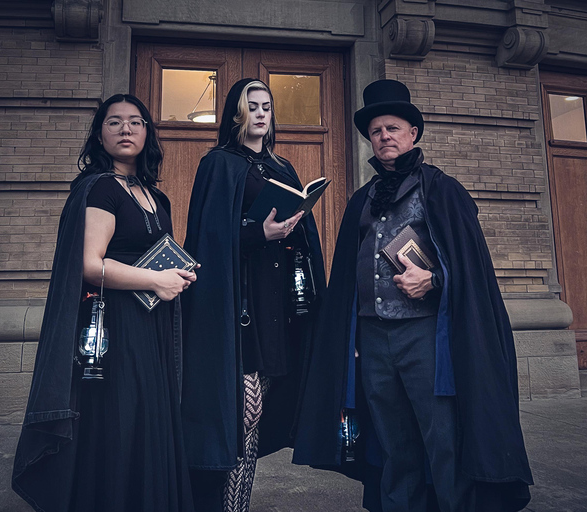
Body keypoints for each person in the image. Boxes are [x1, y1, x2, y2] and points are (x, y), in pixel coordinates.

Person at [292, 79, 534, 512]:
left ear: (413, 134)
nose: (385, 136)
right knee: (391, 441)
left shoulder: (442, 189)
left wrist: (434, 280)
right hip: (372, 338)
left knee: (441, 438)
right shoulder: (361, 199)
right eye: (377, 130)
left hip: (426, 337)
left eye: (394, 128)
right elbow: (348, 269)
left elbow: (473, 270)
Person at [11, 94, 196, 512]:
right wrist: (156, 279)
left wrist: (178, 275)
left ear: (148, 132)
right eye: (114, 122)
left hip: (154, 324)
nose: (125, 129)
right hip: (115, 325)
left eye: (135, 122)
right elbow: (90, 266)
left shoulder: (156, 196)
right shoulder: (100, 190)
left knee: (149, 418)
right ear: (99, 134)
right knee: (122, 420)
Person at [181, 78, 326, 512]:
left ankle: (236, 504)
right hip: (236, 304)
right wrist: (256, 232)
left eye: (267, 106)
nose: (261, 113)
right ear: (236, 113)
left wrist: (295, 229)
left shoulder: (283, 168)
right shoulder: (219, 164)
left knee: (256, 415)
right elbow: (205, 237)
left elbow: (301, 235)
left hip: (276, 306)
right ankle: (219, 503)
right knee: (242, 412)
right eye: (253, 106)